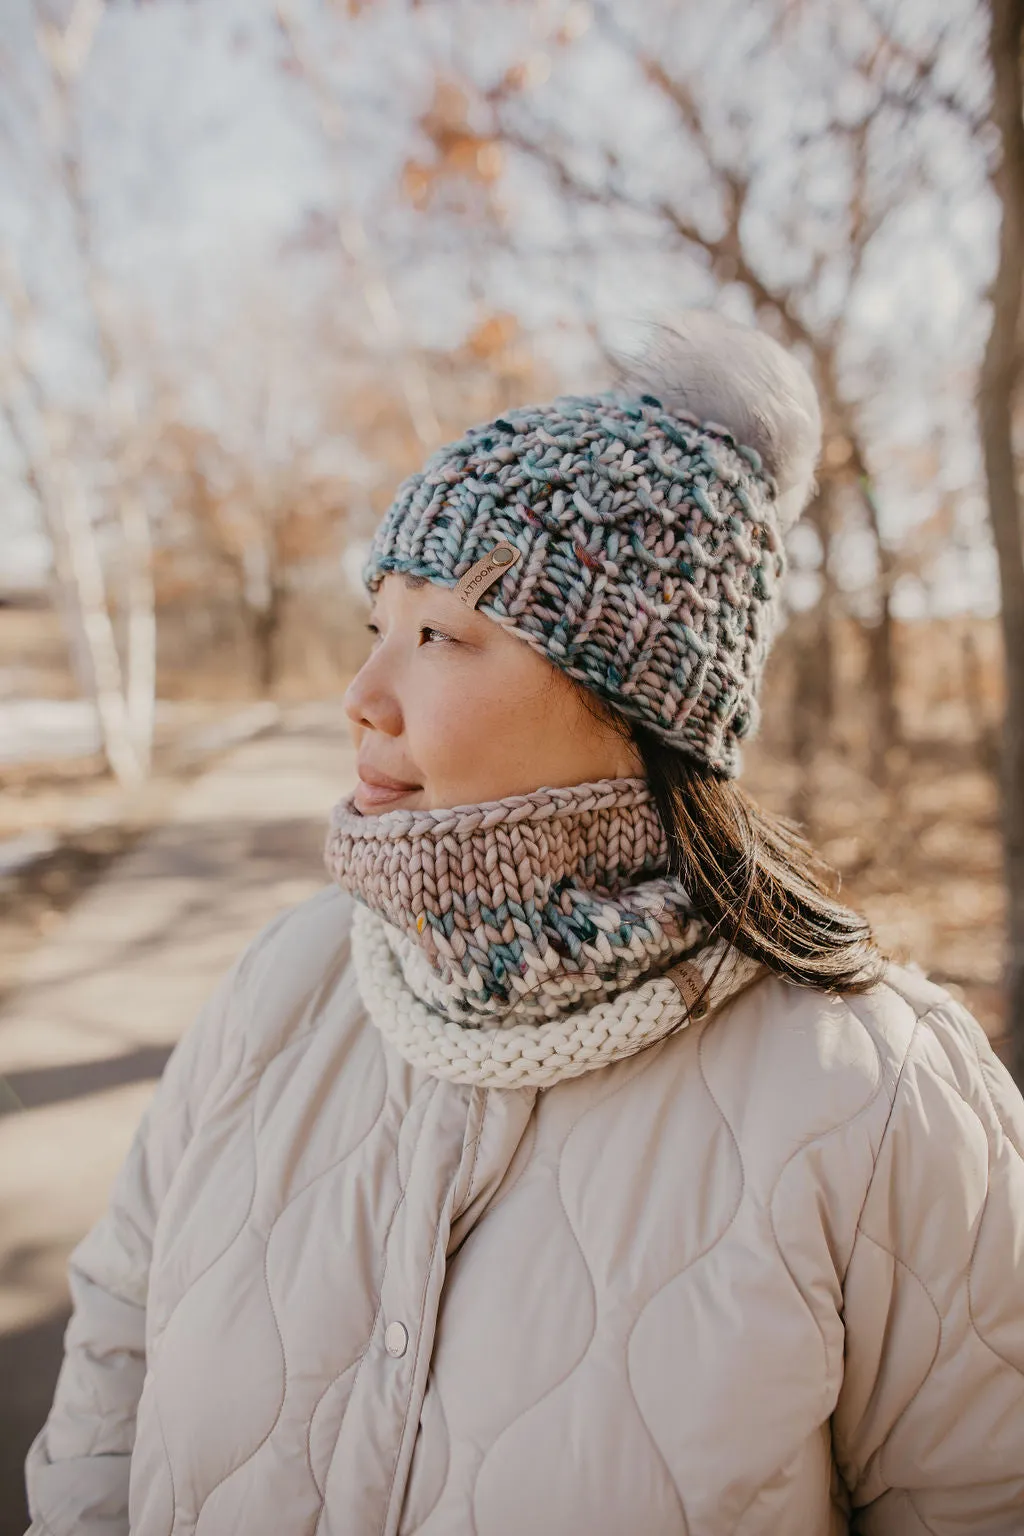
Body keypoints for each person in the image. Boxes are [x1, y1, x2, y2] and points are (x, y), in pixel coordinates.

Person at [25, 311, 1024, 1536]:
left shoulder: (881, 1100)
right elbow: (116, 1347)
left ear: (640, 705)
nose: (363, 696)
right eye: (376, 625)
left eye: (443, 634)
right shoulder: (280, 987)